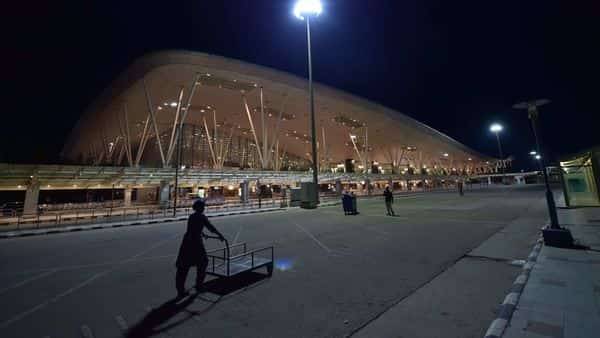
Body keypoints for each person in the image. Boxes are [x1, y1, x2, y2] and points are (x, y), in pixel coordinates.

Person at [175, 199, 225, 299]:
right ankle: (199, 285)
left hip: (187, 242)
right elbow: (211, 227)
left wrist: (202, 233)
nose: (204, 208)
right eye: (202, 207)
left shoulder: (192, 216)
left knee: (184, 266)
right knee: (203, 262)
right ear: (199, 208)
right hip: (195, 243)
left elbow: (193, 228)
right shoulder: (201, 217)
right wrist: (220, 235)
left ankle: (181, 290)